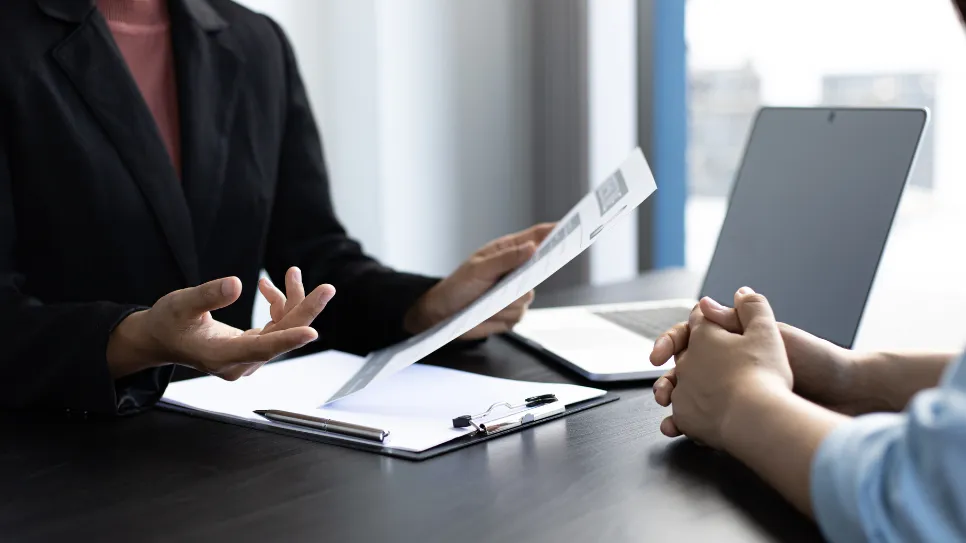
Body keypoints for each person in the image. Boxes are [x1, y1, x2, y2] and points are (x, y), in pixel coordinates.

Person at [0, 0, 549, 416]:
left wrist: (426, 305)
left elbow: (316, 255)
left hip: (226, 450)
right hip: (51, 459)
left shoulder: (256, 43)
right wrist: (138, 338)